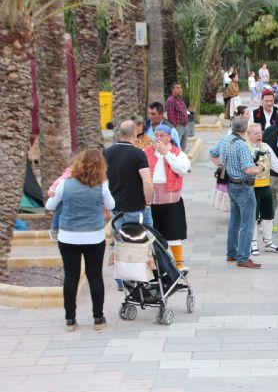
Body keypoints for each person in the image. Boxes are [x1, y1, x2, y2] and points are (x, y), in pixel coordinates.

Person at [45, 149, 115, 332]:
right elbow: (111, 205)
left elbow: (49, 206)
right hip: (94, 236)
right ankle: (98, 318)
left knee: (71, 276)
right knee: (95, 276)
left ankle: (70, 319)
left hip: (68, 236)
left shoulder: (65, 184)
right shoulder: (102, 184)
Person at [104, 119, 154, 290]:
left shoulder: (107, 153)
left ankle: (121, 281)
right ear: (134, 133)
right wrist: (148, 200)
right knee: (138, 243)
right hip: (135, 206)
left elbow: (103, 181)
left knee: (119, 242)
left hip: (115, 206)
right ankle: (138, 277)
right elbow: (147, 181)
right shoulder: (138, 154)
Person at [210, 117, 266, 269]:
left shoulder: (225, 140)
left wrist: (223, 166)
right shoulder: (241, 145)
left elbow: (212, 153)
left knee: (235, 220)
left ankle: (232, 254)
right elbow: (248, 169)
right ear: (245, 129)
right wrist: (260, 168)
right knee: (247, 224)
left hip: (230, 184)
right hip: (243, 186)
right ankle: (243, 257)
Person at [144, 125, 191, 270]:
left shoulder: (177, 153)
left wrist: (167, 154)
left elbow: (183, 169)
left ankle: (178, 263)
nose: (158, 138)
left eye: (162, 135)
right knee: (153, 234)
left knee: (174, 233)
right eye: (156, 135)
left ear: (169, 137)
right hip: (152, 199)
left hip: (171, 200)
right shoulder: (146, 152)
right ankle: (158, 264)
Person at [246, 123, 278, 256]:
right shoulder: (245, 148)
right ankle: (253, 243)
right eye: (256, 133)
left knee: (268, 215)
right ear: (249, 135)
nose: (259, 135)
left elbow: (277, 166)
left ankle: (268, 242)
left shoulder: (266, 147)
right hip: (251, 188)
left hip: (266, 186)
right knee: (253, 216)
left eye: (260, 133)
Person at [165, 82, 189, 151]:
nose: (180, 89)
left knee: (183, 148)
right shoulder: (170, 100)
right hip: (178, 127)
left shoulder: (180, 99)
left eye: (180, 88)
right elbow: (170, 116)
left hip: (185, 126)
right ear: (172, 90)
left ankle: (182, 161)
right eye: (177, 88)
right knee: (176, 148)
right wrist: (175, 127)